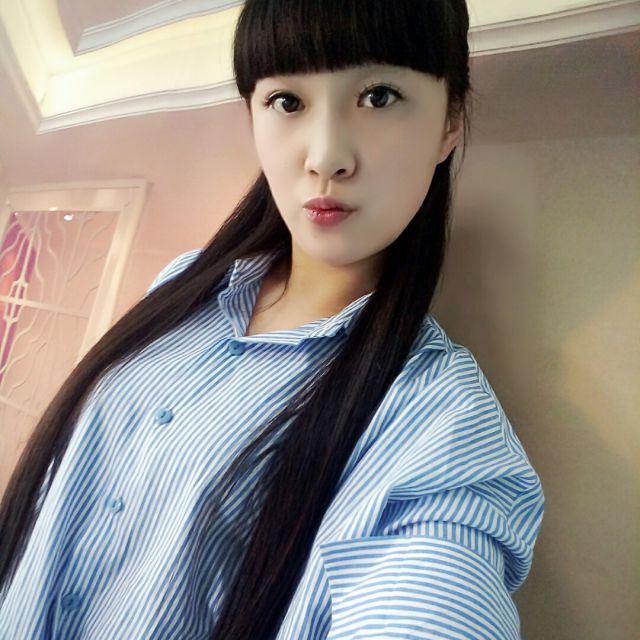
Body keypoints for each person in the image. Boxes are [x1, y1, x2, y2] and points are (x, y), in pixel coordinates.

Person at [0, 0, 545, 638]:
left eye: (379, 96)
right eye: (287, 101)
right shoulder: (184, 282)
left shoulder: (437, 416)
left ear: (450, 121)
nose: (326, 157)